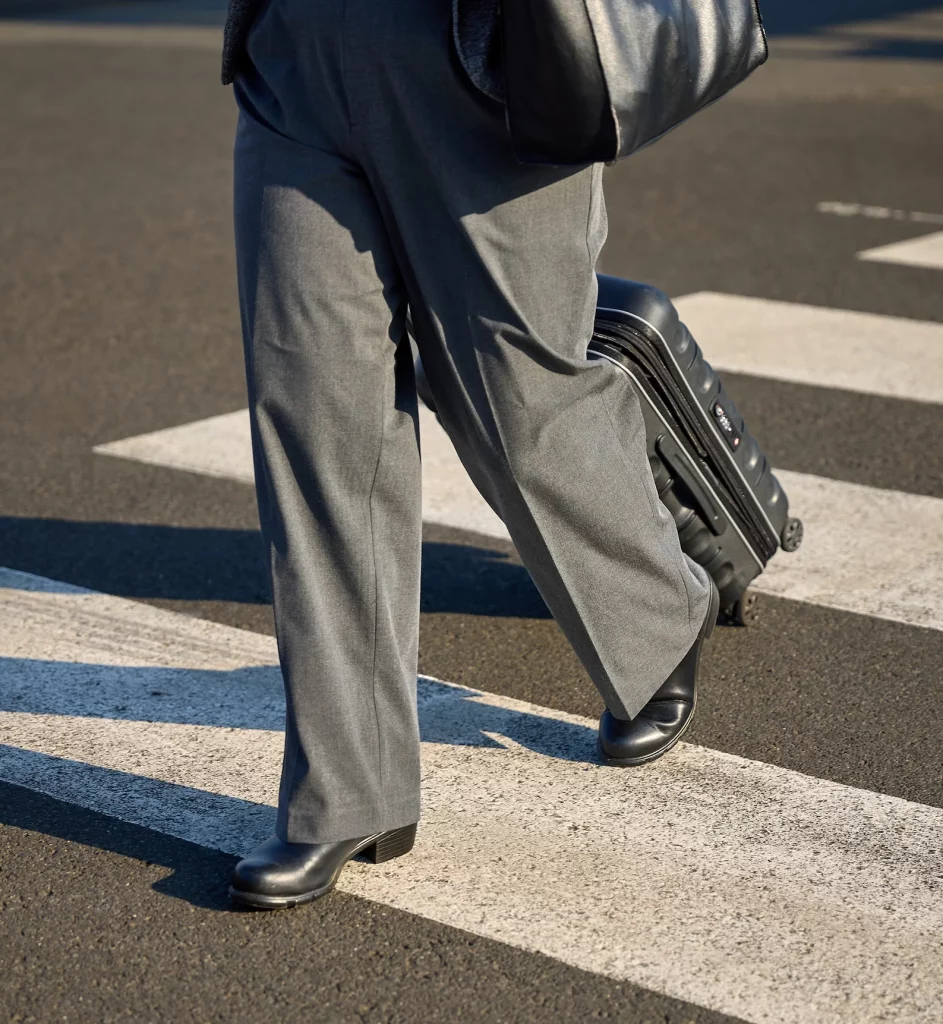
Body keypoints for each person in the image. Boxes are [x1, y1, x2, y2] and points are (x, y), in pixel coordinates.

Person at [222, 0, 719, 911]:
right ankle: (348, 787)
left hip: (483, 60)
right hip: (293, 54)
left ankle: (656, 616)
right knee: (313, 413)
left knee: (514, 399)